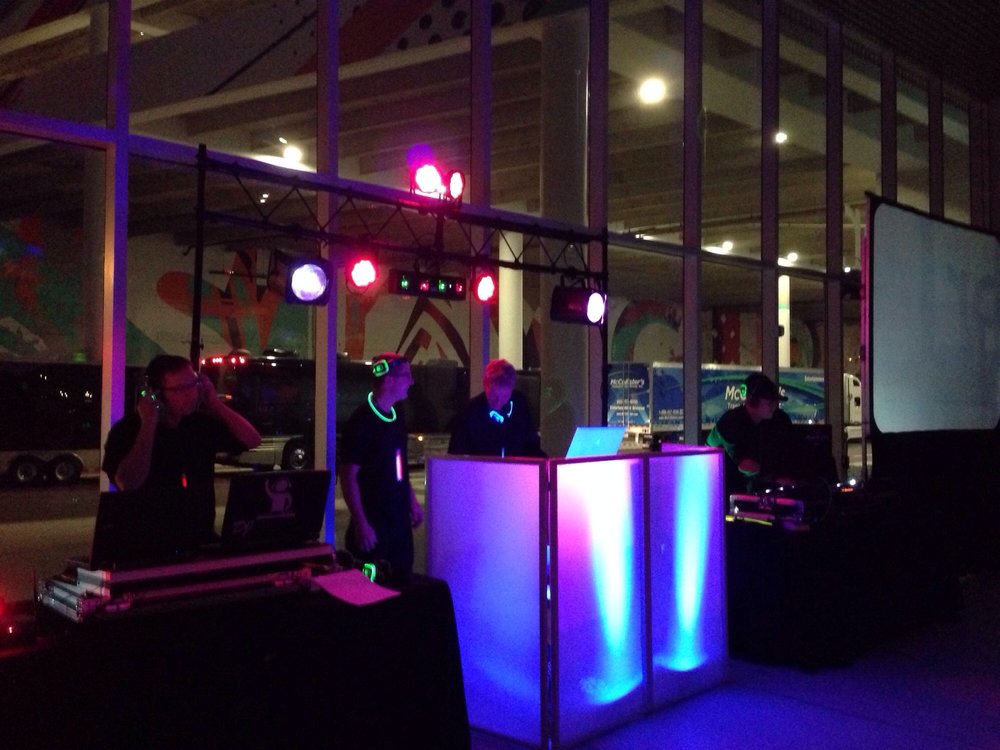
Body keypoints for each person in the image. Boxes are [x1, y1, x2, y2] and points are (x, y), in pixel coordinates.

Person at [102, 354, 262, 542]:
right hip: (148, 543)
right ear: (157, 394)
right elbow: (128, 483)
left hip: (200, 537)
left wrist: (215, 403)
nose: (192, 394)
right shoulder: (128, 430)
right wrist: (149, 423)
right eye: (181, 389)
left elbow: (252, 440)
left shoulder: (199, 424)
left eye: (194, 384)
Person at [339, 353, 424, 579]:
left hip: (399, 523)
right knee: (372, 588)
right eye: (406, 376)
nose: (411, 382)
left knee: (402, 582)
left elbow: (399, 466)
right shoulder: (362, 421)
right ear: (389, 380)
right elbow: (348, 476)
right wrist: (361, 524)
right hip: (374, 524)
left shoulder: (397, 416)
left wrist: (411, 501)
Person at [706, 372, 798, 499]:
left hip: (752, 488)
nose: (774, 407)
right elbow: (746, 465)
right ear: (752, 400)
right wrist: (776, 477)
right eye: (769, 402)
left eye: (775, 402)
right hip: (721, 488)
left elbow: (787, 451)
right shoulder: (732, 422)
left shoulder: (779, 420)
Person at [448, 358, 545, 458]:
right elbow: (455, 456)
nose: (498, 402)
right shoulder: (469, 412)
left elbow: (532, 445)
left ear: (512, 389)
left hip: (515, 467)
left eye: (504, 397)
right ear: (485, 384)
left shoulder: (520, 405)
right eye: (493, 396)